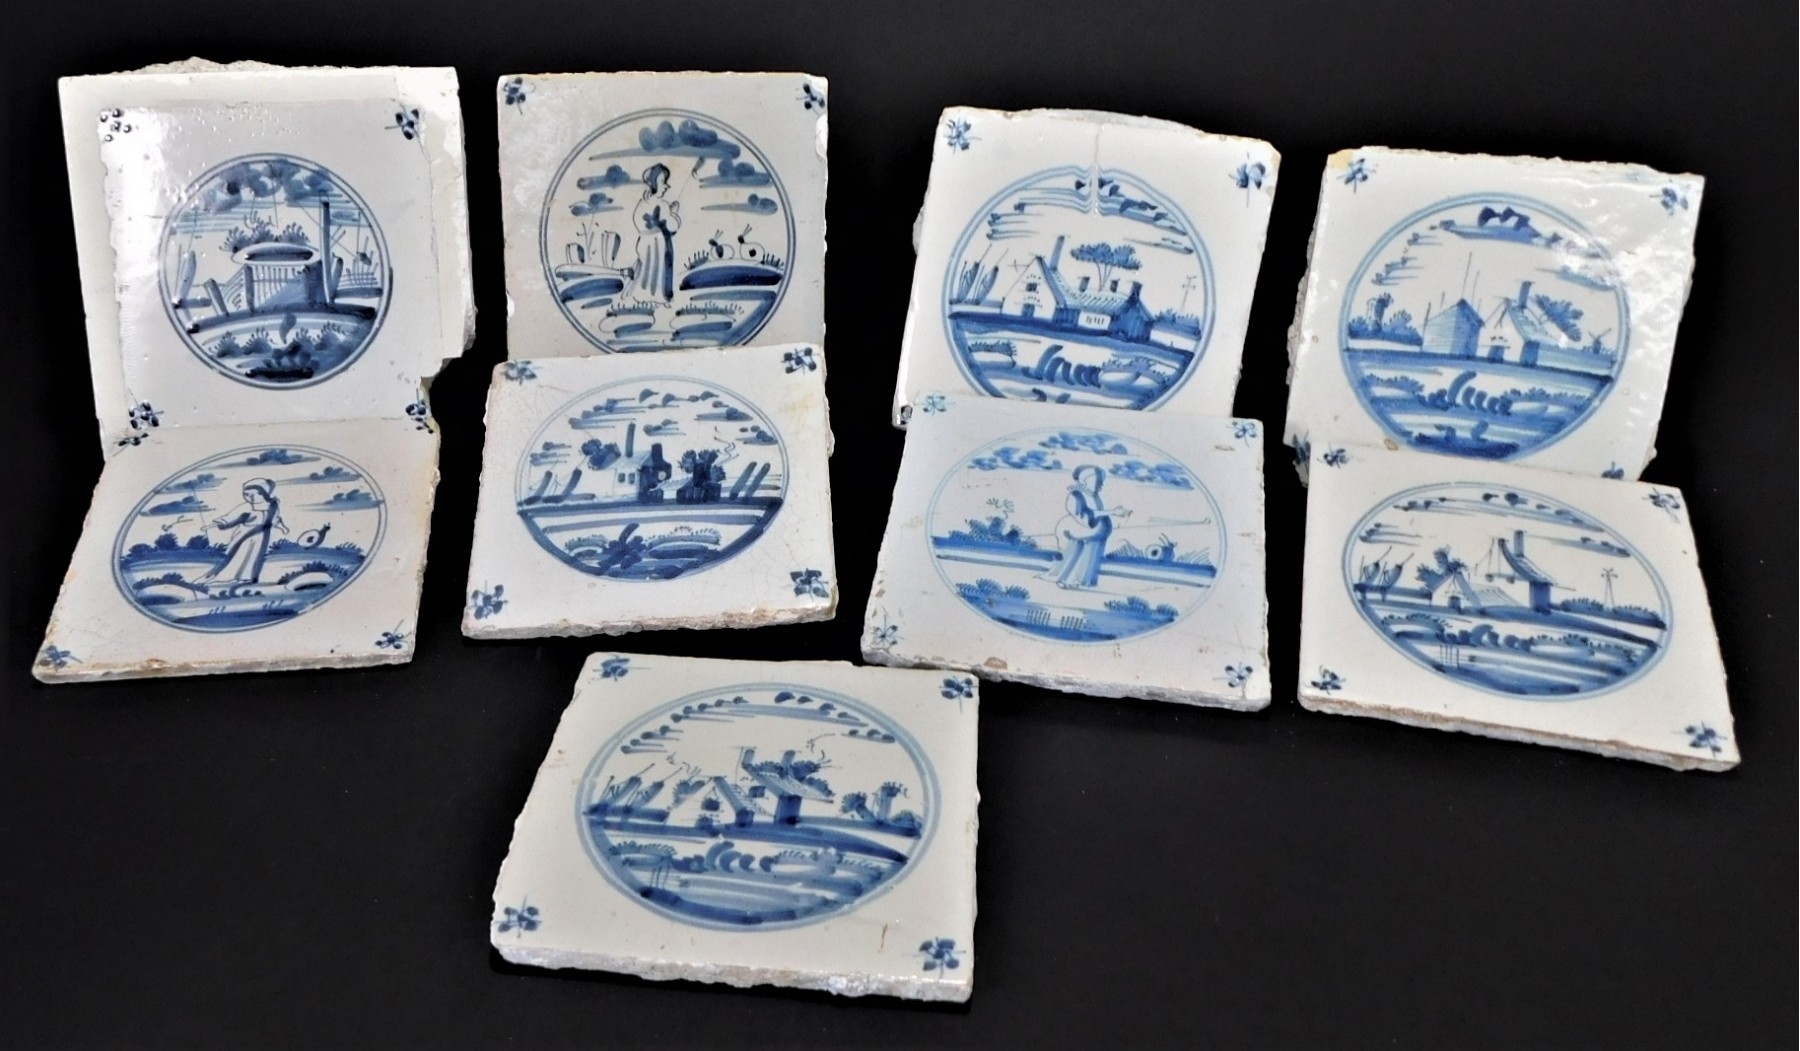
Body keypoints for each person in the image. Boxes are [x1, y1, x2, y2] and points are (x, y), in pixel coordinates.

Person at [1047, 465, 1129, 589]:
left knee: (1089, 557)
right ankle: (1067, 579)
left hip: (1095, 534)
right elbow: (1082, 516)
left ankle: (1081, 581)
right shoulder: (1076, 496)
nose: (1101, 485)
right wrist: (1112, 512)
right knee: (1077, 556)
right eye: (1099, 481)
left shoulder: (1094, 496)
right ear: (1087, 480)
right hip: (1081, 533)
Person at [198, 478, 287, 590]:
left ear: (264, 494)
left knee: (254, 556)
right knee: (239, 554)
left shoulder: (272, 506)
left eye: (254, 494)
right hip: (244, 535)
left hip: (261, 537)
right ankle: (229, 575)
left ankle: (246, 577)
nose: (251, 498)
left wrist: (283, 528)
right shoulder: (246, 507)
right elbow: (231, 517)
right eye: (247, 495)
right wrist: (213, 525)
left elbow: (276, 519)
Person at [632, 163, 682, 302]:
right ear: (654, 184)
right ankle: (657, 296)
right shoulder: (662, 204)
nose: (667, 186)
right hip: (658, 244)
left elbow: (637, 221)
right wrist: (674, 213)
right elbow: (673, 226)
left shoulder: (642, 203)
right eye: (663, 182)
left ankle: (643, 294)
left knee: (646, 268)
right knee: (658, 268)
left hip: (644, 242)